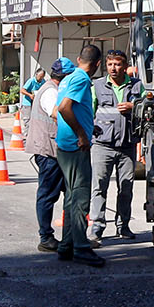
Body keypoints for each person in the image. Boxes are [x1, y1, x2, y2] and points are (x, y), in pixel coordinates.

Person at [53, 42, 102, 268]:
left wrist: (87, 126)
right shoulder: (82, 79)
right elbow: (64, 108)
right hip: (75, 146)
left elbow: (55, 112)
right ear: (97, 64)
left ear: (79, 58)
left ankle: (67, 245)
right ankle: (81, 248)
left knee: (71, 197)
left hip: (64, 144)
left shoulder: (66, 79)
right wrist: (82, 133)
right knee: (81, 197)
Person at [89, 49, 145, 243]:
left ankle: (124, 226)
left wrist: (133, 106)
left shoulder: (137, 86)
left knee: (126, 188)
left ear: (125, 66)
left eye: (118, 64)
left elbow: (148, 108)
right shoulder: (96, 85)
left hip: (127, 146)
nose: (114, 68)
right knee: (99, 187)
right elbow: (90, 112)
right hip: (102, 145)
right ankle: (96, 227)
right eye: (110, 64)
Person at [23, 59, 68, 253]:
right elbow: (57, 114)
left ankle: (71, 235)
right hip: (48, 151)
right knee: (48, 194)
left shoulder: (53, 89)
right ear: (64, 77)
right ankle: (46, 237)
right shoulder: (50, 92)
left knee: (69, 192)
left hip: (56, 149)